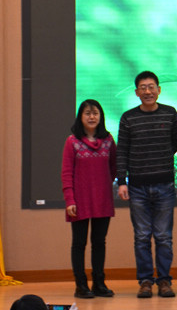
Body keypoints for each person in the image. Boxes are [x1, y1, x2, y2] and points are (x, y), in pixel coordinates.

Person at [116, 71, 177, 298]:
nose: (147, 91)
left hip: (165, 185)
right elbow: (122, 151)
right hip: (137, 187)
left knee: (164, 236)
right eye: (143, 88)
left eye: (151, 86)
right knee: (142, 236)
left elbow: (176, 143)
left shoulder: (170, 113)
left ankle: (164, 281)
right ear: (136, 92)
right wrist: (122, 181)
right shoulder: (128, 118)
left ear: (159, 90)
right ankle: (145, 281)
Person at [61, 99, 117, 299]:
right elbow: (66, 173)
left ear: (101, 116)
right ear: (81, 117)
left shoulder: (108, 140)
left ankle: (99, 283)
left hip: (102, 200)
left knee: (99, 242)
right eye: (87, 113)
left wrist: (105, 186)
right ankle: (81, 285)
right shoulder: (72, 142)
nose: (92, 117)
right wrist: (70, 200)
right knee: (79, 243)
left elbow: (114, 168)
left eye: (95, 113)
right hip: (79, 202)